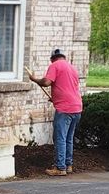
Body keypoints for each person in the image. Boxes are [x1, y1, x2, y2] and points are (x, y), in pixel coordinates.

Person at [27, 48, 82, 176]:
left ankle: (60, 167)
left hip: (65, 109)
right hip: (77, 106)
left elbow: (46, 82)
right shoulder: (72, 68)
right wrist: (56, 98)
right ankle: (68, 165)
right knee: (69, 138)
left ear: (52, 58)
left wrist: (35, 79)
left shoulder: (55, 65)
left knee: (60, 138)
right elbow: (68, 87)